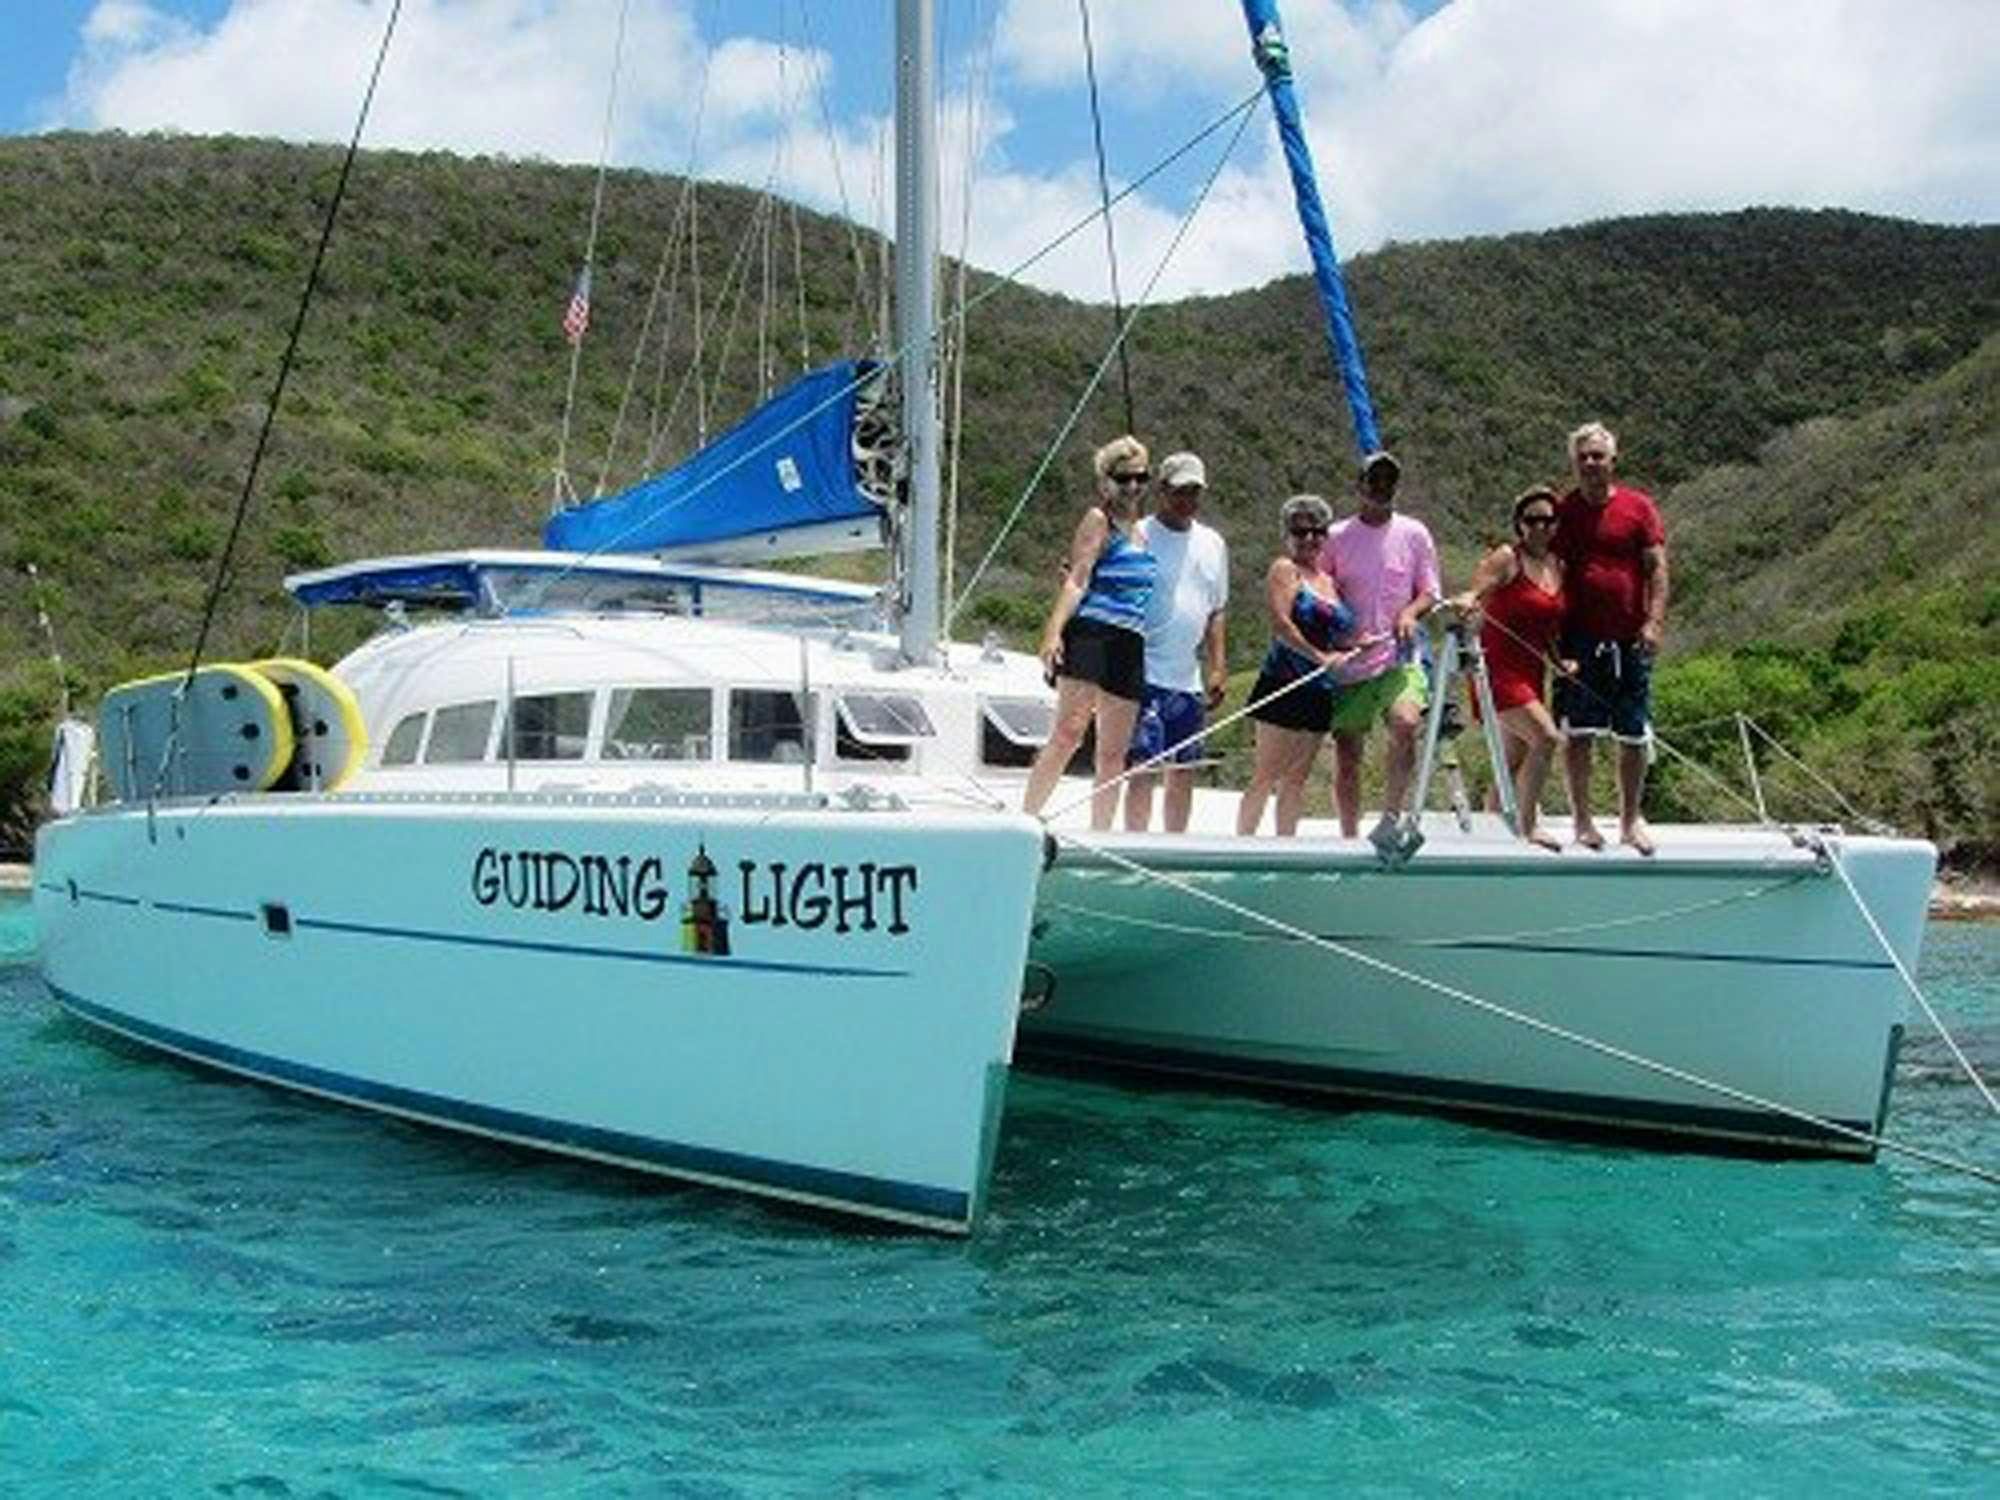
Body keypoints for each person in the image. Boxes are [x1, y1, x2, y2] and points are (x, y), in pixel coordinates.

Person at [1022, 435, 1157, 830]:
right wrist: (1053, 632)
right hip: (1093, 632)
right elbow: (1077, 579)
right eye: (1123, 478)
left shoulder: (1143, 533)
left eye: (1140, 478)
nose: (1132, 486)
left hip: (1130, 641)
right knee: (1069, 732)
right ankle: (1026, 819)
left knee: (1114, 751)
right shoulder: (1100, 521)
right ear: (1106, 480)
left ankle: (1102, 831)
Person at [1551, 421, 1668, 855]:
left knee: (1632, 733)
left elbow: (1657, 568)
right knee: (1578, 732)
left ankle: (1629, 820)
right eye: (1582, 457)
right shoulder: (1564, 512)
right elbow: (1549, 569)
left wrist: (1654, 622)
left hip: (1629, 638)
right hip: (1579, 638)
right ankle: (1582, 821)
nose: (1589, 463)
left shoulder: (1639, 508)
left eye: (1597, 456)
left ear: (1613, 461)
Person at [1320, 450, 1441, 852]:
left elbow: (1429, 591)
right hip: (1352, 661)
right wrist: (1339, 633)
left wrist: (1409, 612)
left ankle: (1391, 816)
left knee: (1406, 724)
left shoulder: (1414, 533)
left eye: (1389, 482)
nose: (1381, 489)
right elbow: (1320, 588)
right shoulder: (1337, 537)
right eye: (1374, 481)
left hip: (1398, 655)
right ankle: (1349, 835)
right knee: (1348, 752)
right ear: (1359, 486)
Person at [1236, 495, 1375, 836]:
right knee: (1266, 774)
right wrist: (1320, 658)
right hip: (1283, 683)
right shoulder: (1285, 570)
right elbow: (1282, 625)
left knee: (1295, 779)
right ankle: (1243, 845)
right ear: (1287, 534)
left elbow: (1335, 636)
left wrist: (1355, 645)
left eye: (1317, 531)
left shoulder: (1330, 582)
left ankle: (1285, 845)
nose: (1310, 539)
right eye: (1300, 531)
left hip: (1319, 691)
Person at [1448, 485, 1571, 850]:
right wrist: (1469, 599)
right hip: (1499, 670)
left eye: (1548, 520)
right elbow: (1477, 589)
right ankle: (1527, 825)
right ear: (1519, 524)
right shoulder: (1507, 558)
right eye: (1532, 520)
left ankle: (1493, 833)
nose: (1541, 527)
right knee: (1547, 738)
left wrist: (1557, 661)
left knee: (1513, 760)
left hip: (1534, 671)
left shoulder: (1557, 565)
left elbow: (1547, 623)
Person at [1124, 451, 1229, 834]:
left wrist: (1217, 665)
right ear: (1162, 490)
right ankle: (1136, 839)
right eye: (1179, 491)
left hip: (1187, 676)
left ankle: (1175, 841)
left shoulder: (1213, 543)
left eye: (1194, 492)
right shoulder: (1141, 533)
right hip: (1144, 669)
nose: (1187, 501)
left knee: (1183, 768)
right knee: (1142, 765)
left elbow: (1217, 608)